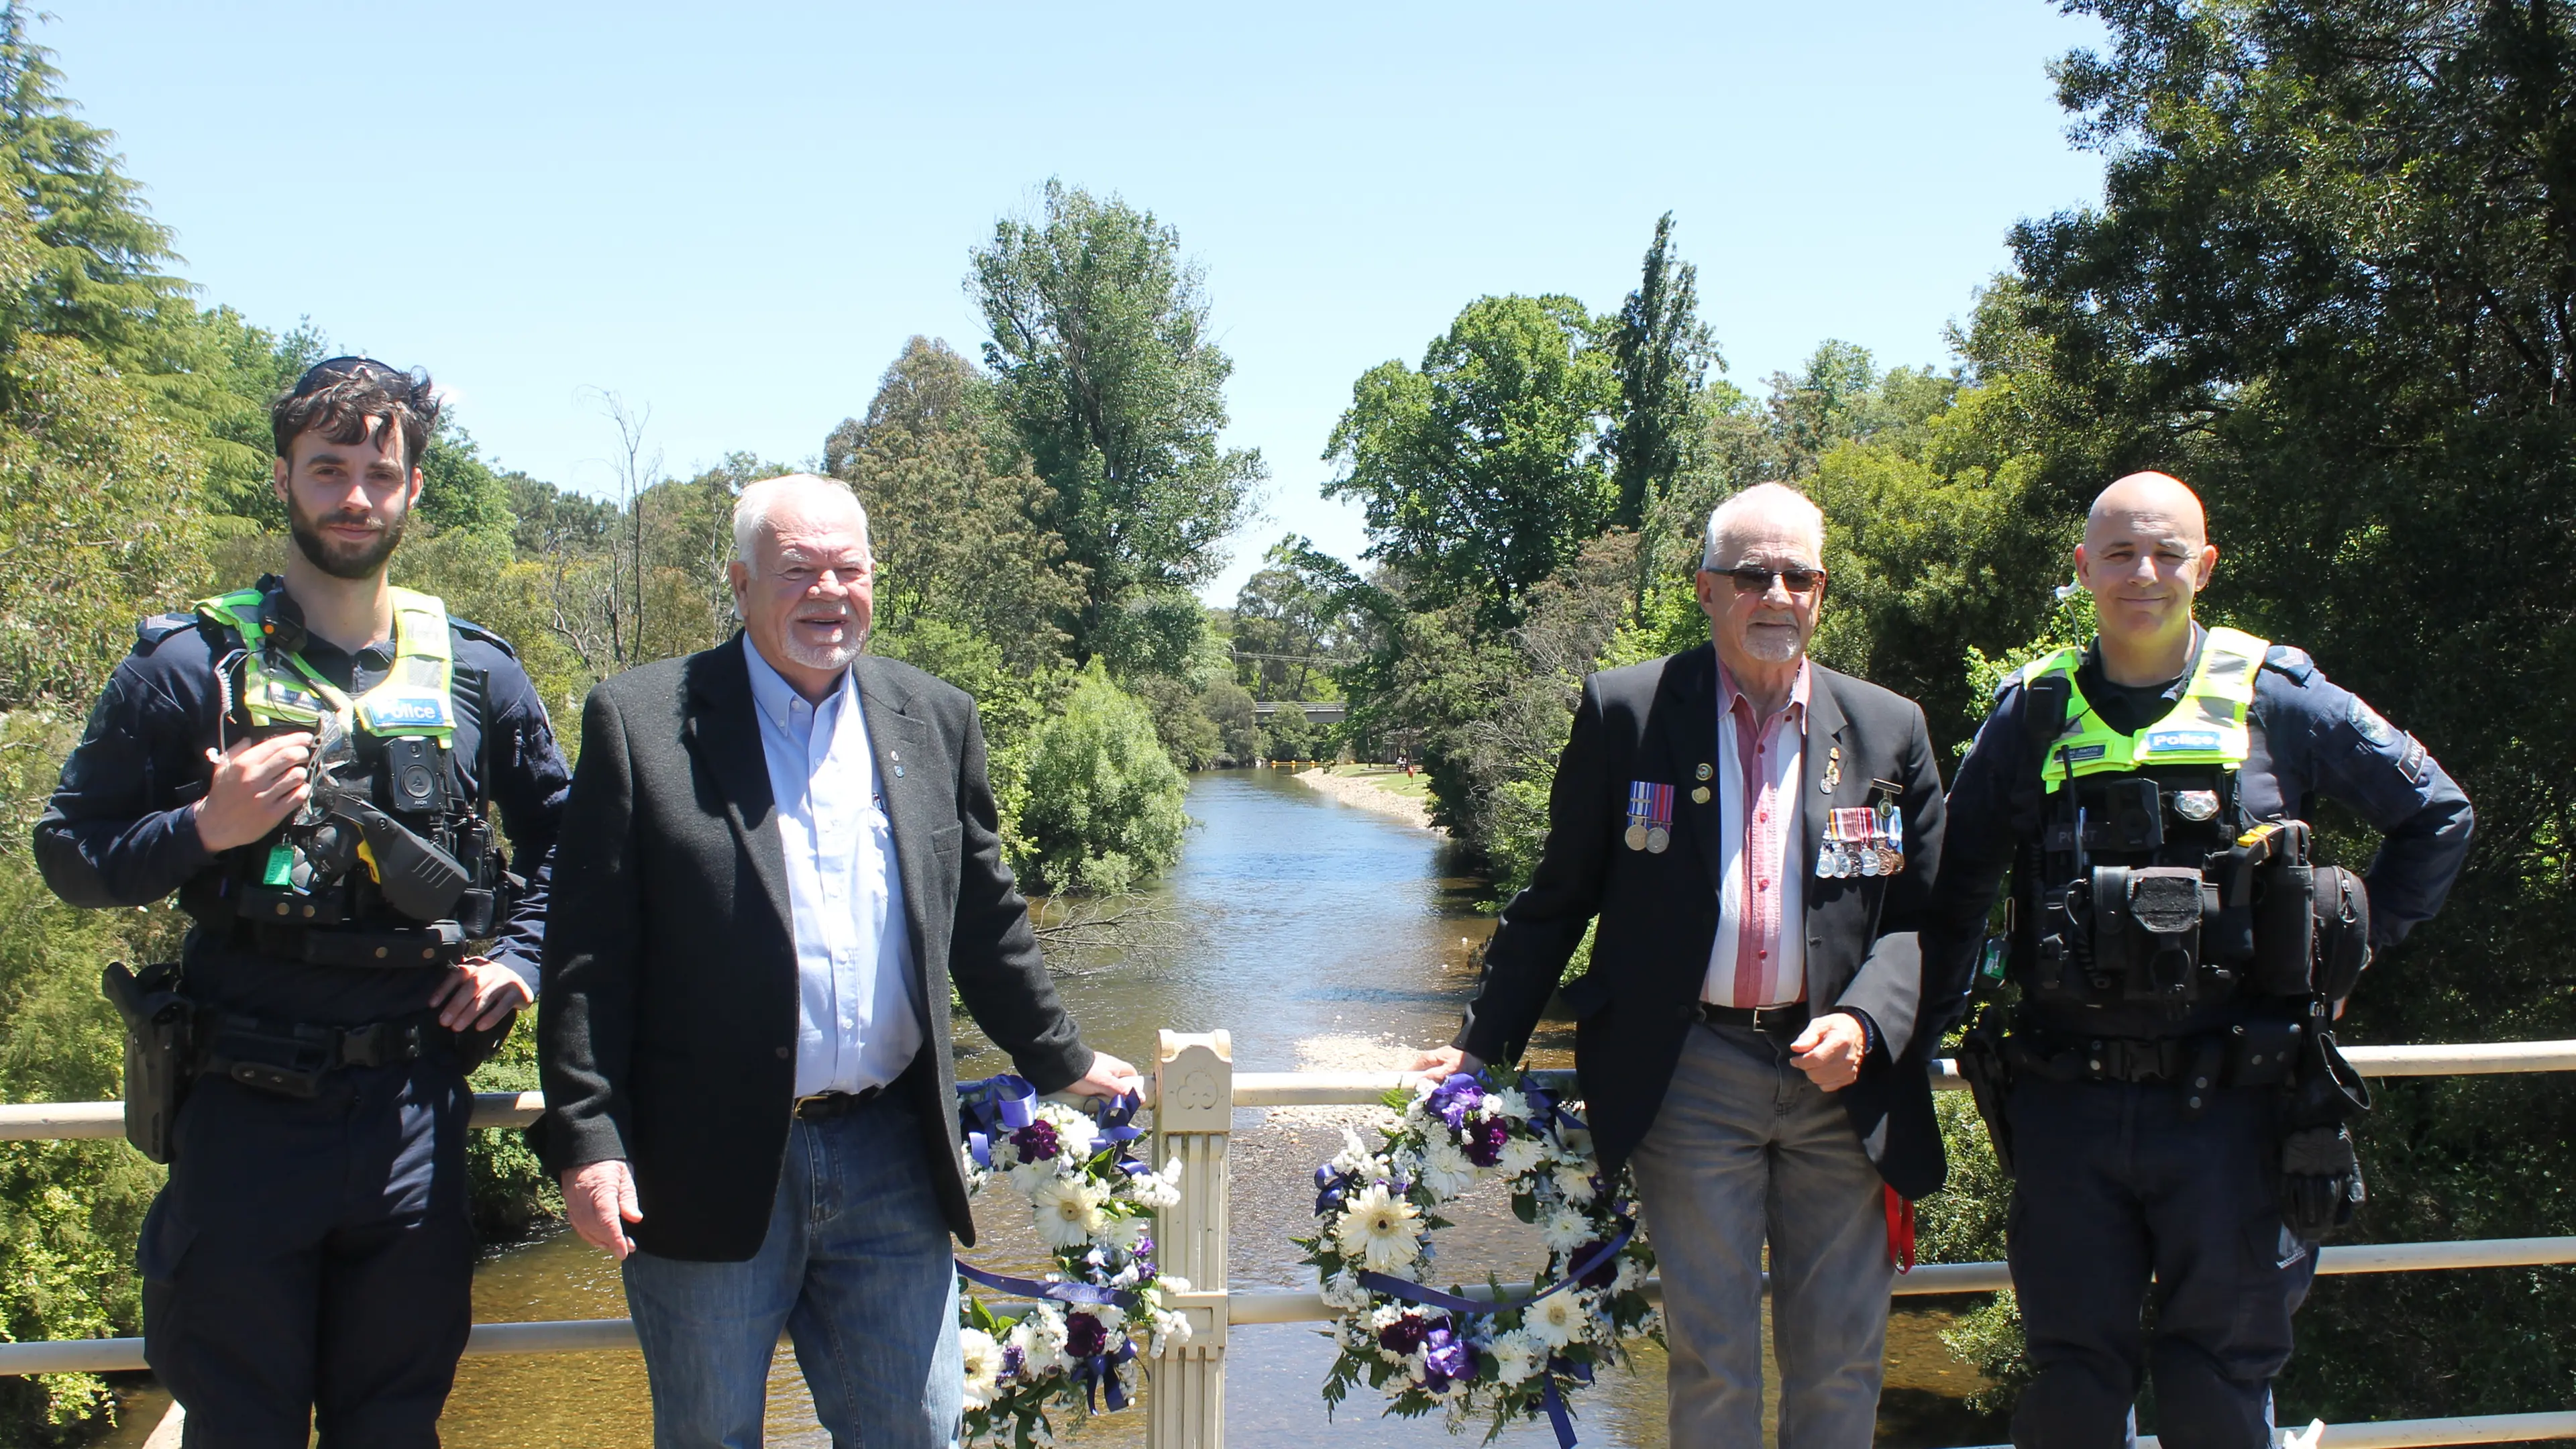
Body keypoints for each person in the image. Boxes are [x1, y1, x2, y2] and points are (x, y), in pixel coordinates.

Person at [535, 474, 1139, 1449]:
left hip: (889, 1155)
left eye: (847, 568)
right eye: (797, 570)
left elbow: (982, 917)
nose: (827, 591)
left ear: (873, 579)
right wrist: (586, 1138)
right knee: (710, 1436)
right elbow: (588, 958)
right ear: (739, 584)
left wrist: (1057, 1057)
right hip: (703, 1160)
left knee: (918, 1431)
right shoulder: (640, 722)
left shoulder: (933, 718)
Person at [34, 357, 569, 1446]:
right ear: (284, 479)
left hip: (415, 1113)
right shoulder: (189, 667)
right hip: (239, 1115)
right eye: (329, 469)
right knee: (241, 1428)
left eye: (380, 472)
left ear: (416, 489)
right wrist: (203, 829)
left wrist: (521, 957)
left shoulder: (477, 675)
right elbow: (69, 854)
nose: (356, 497)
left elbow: (581, 851)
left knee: (393, 1429)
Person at [1923, 472, 2473, 1449]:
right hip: (2067, 1107)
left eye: (2167, 552)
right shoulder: (2032, 713)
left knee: (2217, 1387)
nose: (2145, 573)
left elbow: (2435, 814)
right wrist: (1918, 1044)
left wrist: (2352, 955)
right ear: (2083, 567)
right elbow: (1957, 888)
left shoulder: (2280, 696)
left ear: (2204, 567)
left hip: (2239, 1110)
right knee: (2072, 1387)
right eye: (2123, 553)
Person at [1409, 482, 1949, 1448]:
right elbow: (1558, 895)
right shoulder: (1629, 711)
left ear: (1822, 593)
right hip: (1691, 1072)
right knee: (1712, 1356)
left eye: (1799, 575)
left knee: (1842, 1359)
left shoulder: (1888, 729)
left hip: (1841, 1088)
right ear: (1706, 589)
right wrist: (1479, 1046)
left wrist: (1868, 1022)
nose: (1776, 593)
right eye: (1752, 575)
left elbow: (1920, 922)